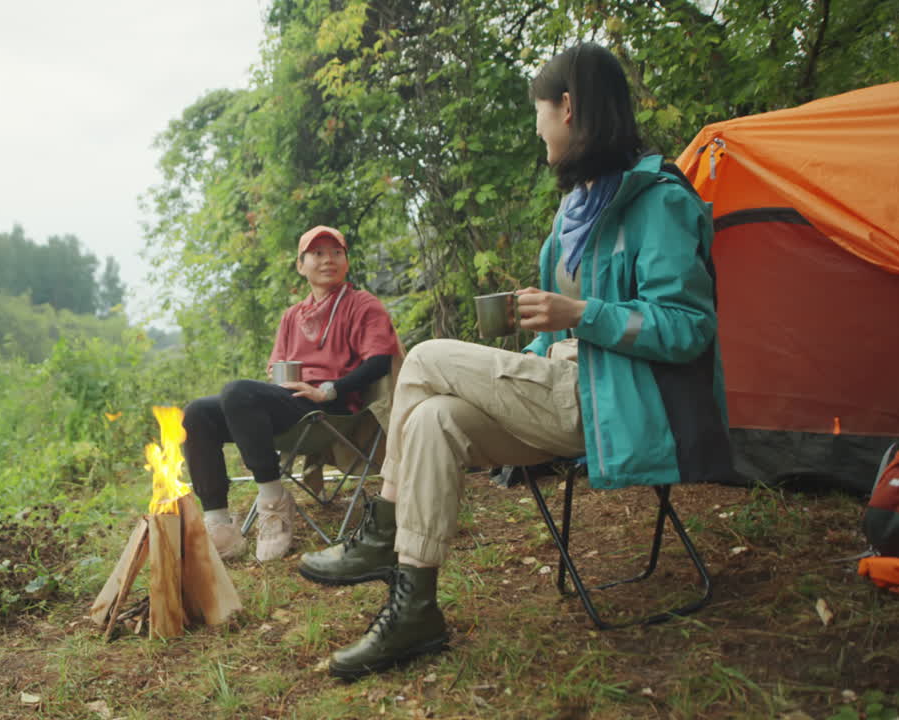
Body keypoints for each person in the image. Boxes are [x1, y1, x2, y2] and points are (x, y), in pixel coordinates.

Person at [299, 43, 736, 679]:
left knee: (420, 358)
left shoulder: (661, 201)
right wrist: (545, 331)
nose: (538, 131)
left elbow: (689, 329)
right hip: (557, 387)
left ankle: (379, 537)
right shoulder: (574, 210)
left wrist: (580, 315)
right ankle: (416, 607)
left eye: (540, 114)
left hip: (614, 404)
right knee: (430, 420)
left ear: (568, 107)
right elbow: (548, 338)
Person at [182, 225, 401, 563]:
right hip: (290, 405)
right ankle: (218, 524)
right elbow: (276, 368)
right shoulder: (292, 316)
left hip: (331, 409)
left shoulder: (362, 304)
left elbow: (380, 362)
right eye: (317, 253)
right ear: (301, 265)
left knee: (237, 391)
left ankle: (274, 503)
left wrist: (328, 390)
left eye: (336, 253)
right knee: (198, 412)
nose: (328, 260)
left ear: (346, 261)